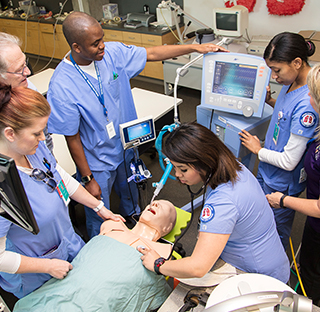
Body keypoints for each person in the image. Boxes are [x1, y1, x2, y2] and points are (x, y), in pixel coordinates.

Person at [46, 11, 228, 238]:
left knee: (131, 193)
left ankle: (135, 225)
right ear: (77, 47)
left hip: (126, 146)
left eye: (102, 38)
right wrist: (88, 179)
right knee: (99, 211)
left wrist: (193, 48)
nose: (103, 46)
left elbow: (151, 52)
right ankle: (100, 244)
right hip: (97, 160)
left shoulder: (111, 53)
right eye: (95, 44)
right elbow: (71, 136)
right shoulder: (62, 85)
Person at [0, 84, 124, 298]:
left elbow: (59, 177)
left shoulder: (32, 149)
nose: (42, 139)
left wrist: (98, 206)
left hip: (65, 243)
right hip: (37, 273)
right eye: (36, 133)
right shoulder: (4, 186)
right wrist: (46, 267)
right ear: (10, 133)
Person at [139, 122, 290, 284]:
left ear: (204, 161)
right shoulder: (233, 166)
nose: (177, 175)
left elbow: (197, 267)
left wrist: (158, 264)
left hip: (259, 276)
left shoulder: (222, 204)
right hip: (271, 258)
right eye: (175, 167)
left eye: (183, 169)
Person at [13, 200, 176, 312]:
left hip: (99, 299)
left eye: (165, 207)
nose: (155, 203)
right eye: (155, 202)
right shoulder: (113, 225)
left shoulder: (163, 252)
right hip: (71, 285)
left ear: (168, 227)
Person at [239, 32, 318, 249]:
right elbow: (287, 117)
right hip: (269, 168)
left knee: (275, 232)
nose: (274, 76)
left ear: (297, 62)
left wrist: (257, 150)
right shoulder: (292, 81)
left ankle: (275, 272)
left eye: (277, 70)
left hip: (282, 179)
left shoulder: (308, 101)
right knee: (263, 220)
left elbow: (289, 161)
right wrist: (271, 100)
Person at [267, 63, 320, 307]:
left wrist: (284, 200)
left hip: (313, 215)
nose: (306, 96)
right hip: (313, 224)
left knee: (312, 281)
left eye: (311, 94)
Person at [0, 32, 53, 153]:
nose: (28, 72)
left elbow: (45, 135)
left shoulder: (27, 86)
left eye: (25, 63)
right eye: (19, 70)